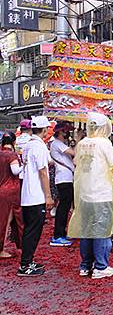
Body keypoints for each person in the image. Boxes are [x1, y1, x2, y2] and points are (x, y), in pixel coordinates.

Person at [68, 113, 113, 279]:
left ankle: (85, 266)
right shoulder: (104, 143)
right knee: (102, 230)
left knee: (87, 230)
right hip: (101, 192)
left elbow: (76, 163)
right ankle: (101, 266)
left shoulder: (82, 143)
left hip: (84, 194)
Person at [18, 116, 53, 276]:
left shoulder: (29, 145)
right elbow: (43, 173)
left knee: (30, 230)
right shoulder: (38, 147)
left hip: (27, 194)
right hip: (35, 195)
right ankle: (25, 264)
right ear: (45, 130)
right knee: (33, 231)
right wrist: (48, 196)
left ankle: (27, 261)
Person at [49, 121, 76, 247]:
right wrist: (78, 139)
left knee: (65, 207)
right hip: (63, 179)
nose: (68, 133)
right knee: (63, 207)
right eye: (66, 131)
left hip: (67, 178)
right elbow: (74, 153)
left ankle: (61, 233)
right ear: (60, 132)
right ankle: (58, 235)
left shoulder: (61, 144)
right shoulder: (57, 144)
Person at [0, 133, 23, 258]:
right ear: (14, 142)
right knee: (6, 221)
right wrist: (24, 165)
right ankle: (1, 249)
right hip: (10, 192)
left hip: (2, 189)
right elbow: (15, 171)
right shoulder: (11, 155)